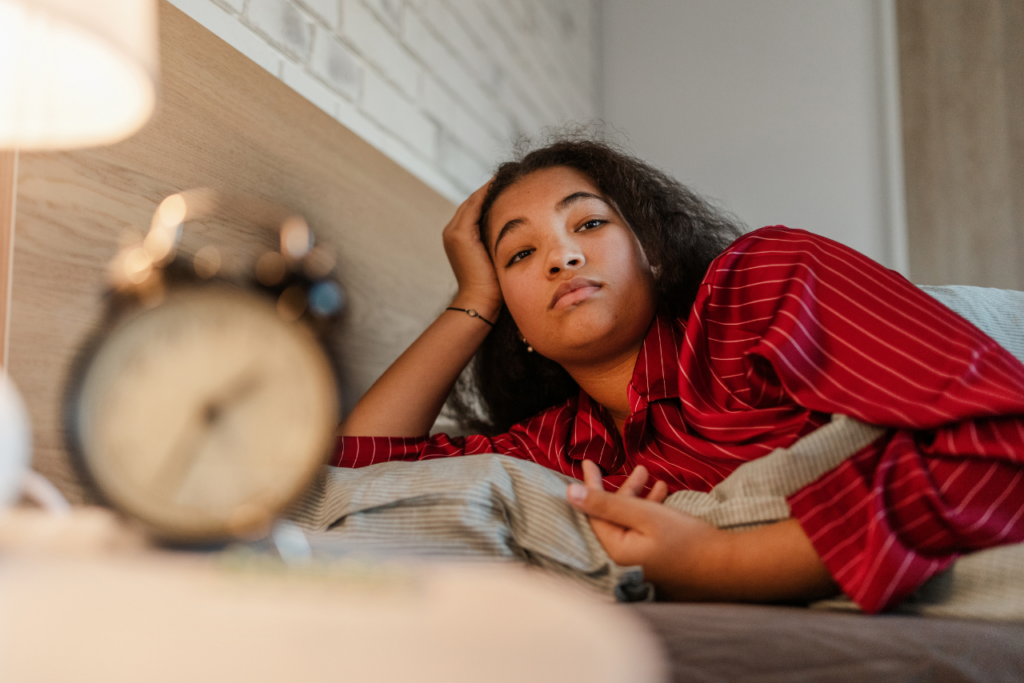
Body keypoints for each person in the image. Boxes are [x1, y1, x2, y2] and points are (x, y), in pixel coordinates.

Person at [335, 137, 1024, 613]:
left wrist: (721, 565)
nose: (562, 257)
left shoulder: (759, 289)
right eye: (519, 254)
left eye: (590, 222)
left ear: (654, 253)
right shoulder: (562, 450)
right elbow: (361, 480)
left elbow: (1002, 435)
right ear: (513, 319)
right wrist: (471, 302)